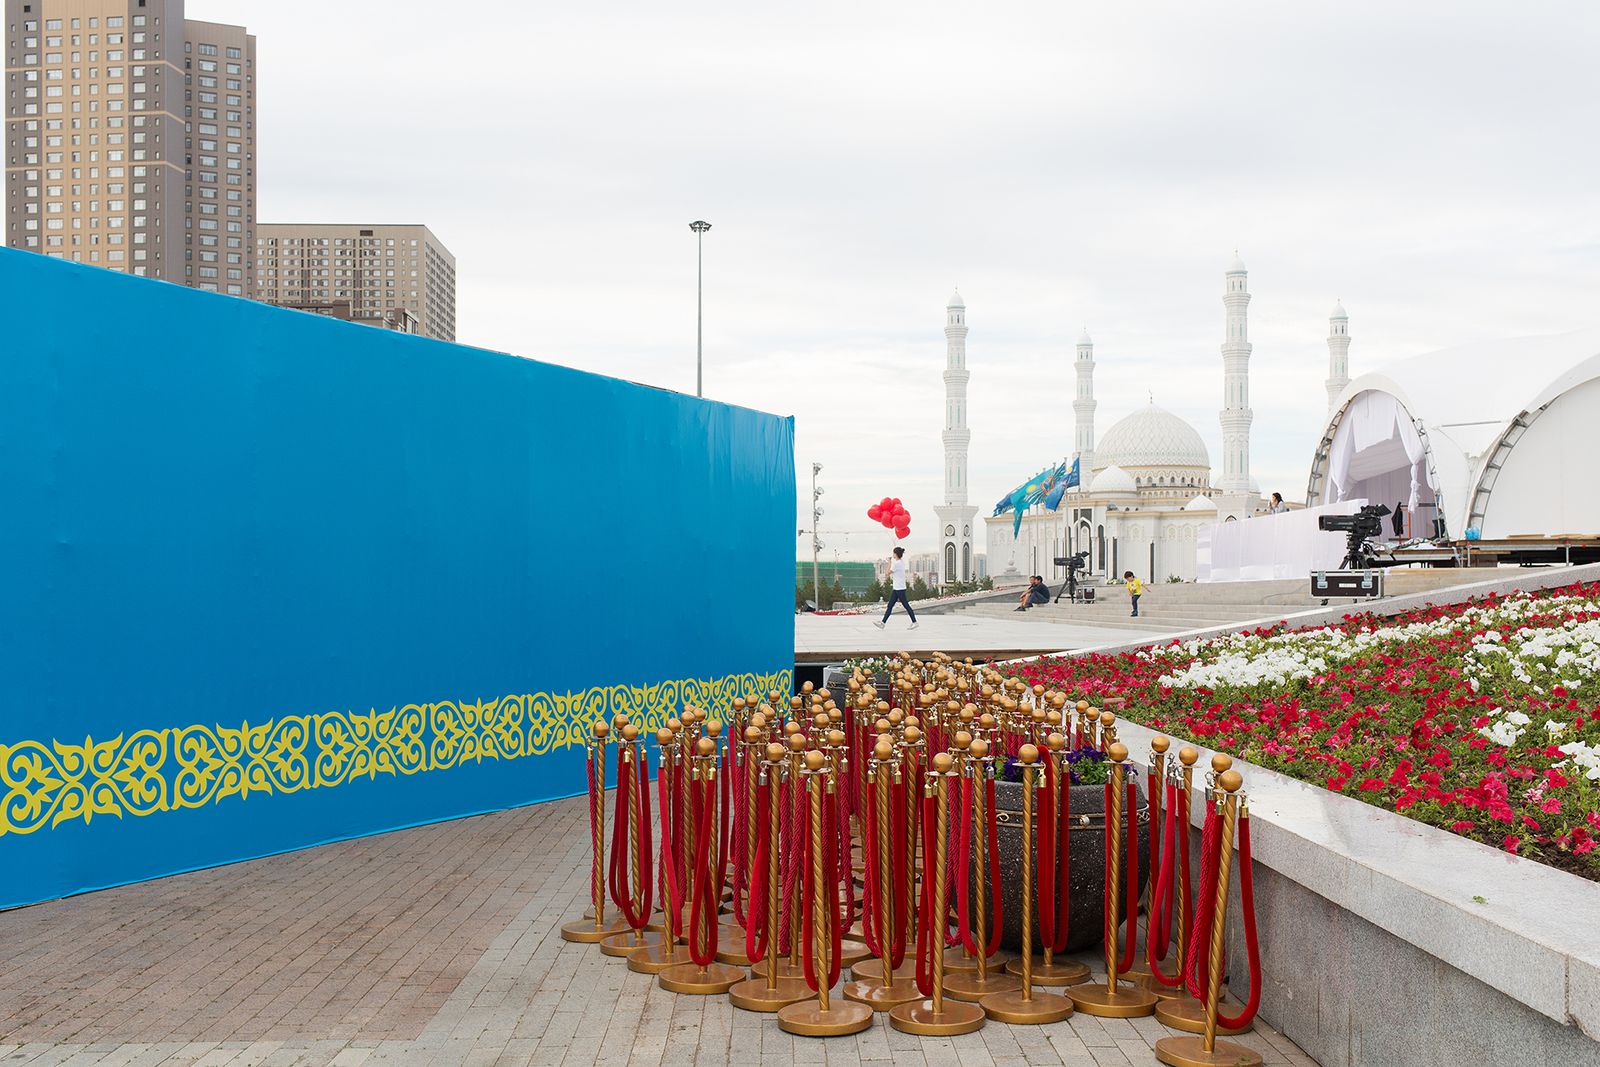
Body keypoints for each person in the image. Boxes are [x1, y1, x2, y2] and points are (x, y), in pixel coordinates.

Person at [874, 546, 918, 630]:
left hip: (899, 589)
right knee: (890, 606)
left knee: (906, 605)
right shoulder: (900, 562)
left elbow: (887, 573)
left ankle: (915, 622)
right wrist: (891, 561)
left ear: (896, 554)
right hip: (897, 588)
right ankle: (883, 623)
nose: (892, 554)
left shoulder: (897, 564)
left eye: (893, 553)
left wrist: (889, 562)